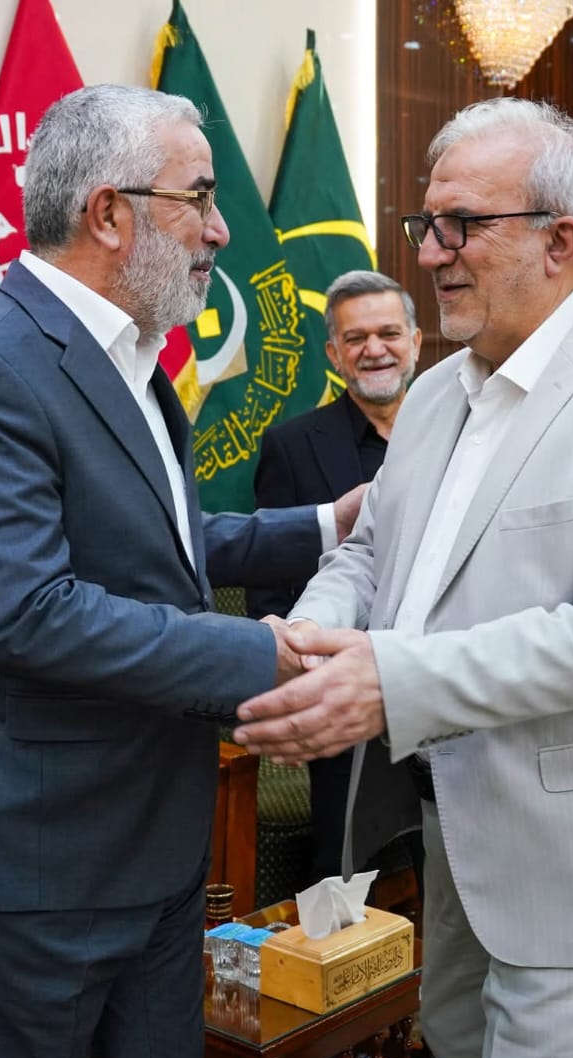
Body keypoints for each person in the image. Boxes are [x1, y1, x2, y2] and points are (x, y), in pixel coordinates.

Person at [234, 98, 573, 1058]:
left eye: (462, 225)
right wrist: (306, 643)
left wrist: (386, 678)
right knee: (452, 1037)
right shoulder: (435, 391)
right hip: (454, 822)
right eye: (426, 224)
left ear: (561, 240)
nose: (431, 253)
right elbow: (367, 552)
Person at [0, 84, 359, 1058]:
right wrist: (259, 653)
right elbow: (30, 613)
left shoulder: (127, 353)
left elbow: (162, 541)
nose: (221, 229)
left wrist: (328, 523)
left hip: (155, 838)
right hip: (41, 857)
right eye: (199, 197)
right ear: (109, 213)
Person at [250, 270, 425, 891]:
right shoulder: (291, 446)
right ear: (333, 353)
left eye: (388, 333)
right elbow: (270, 588)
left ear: (416, 341)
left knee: (451, 877)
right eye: (355, 338)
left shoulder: (457, 432)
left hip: (435, 691)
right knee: (341, 878)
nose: (374, 349)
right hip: (337, 698)